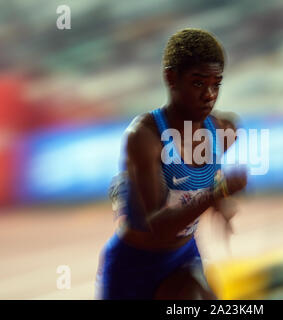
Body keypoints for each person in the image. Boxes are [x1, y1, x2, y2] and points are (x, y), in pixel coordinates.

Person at [95, 28, 248, 300]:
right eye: (199, 83)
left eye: (216, 84)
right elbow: (158, 225)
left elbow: (209, 175)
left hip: (182, 258)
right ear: (171, 77)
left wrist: (220, 204)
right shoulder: (144, 136)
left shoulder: (224, 132)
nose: (209, 95)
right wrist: (217, 195)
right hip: (133, 266)